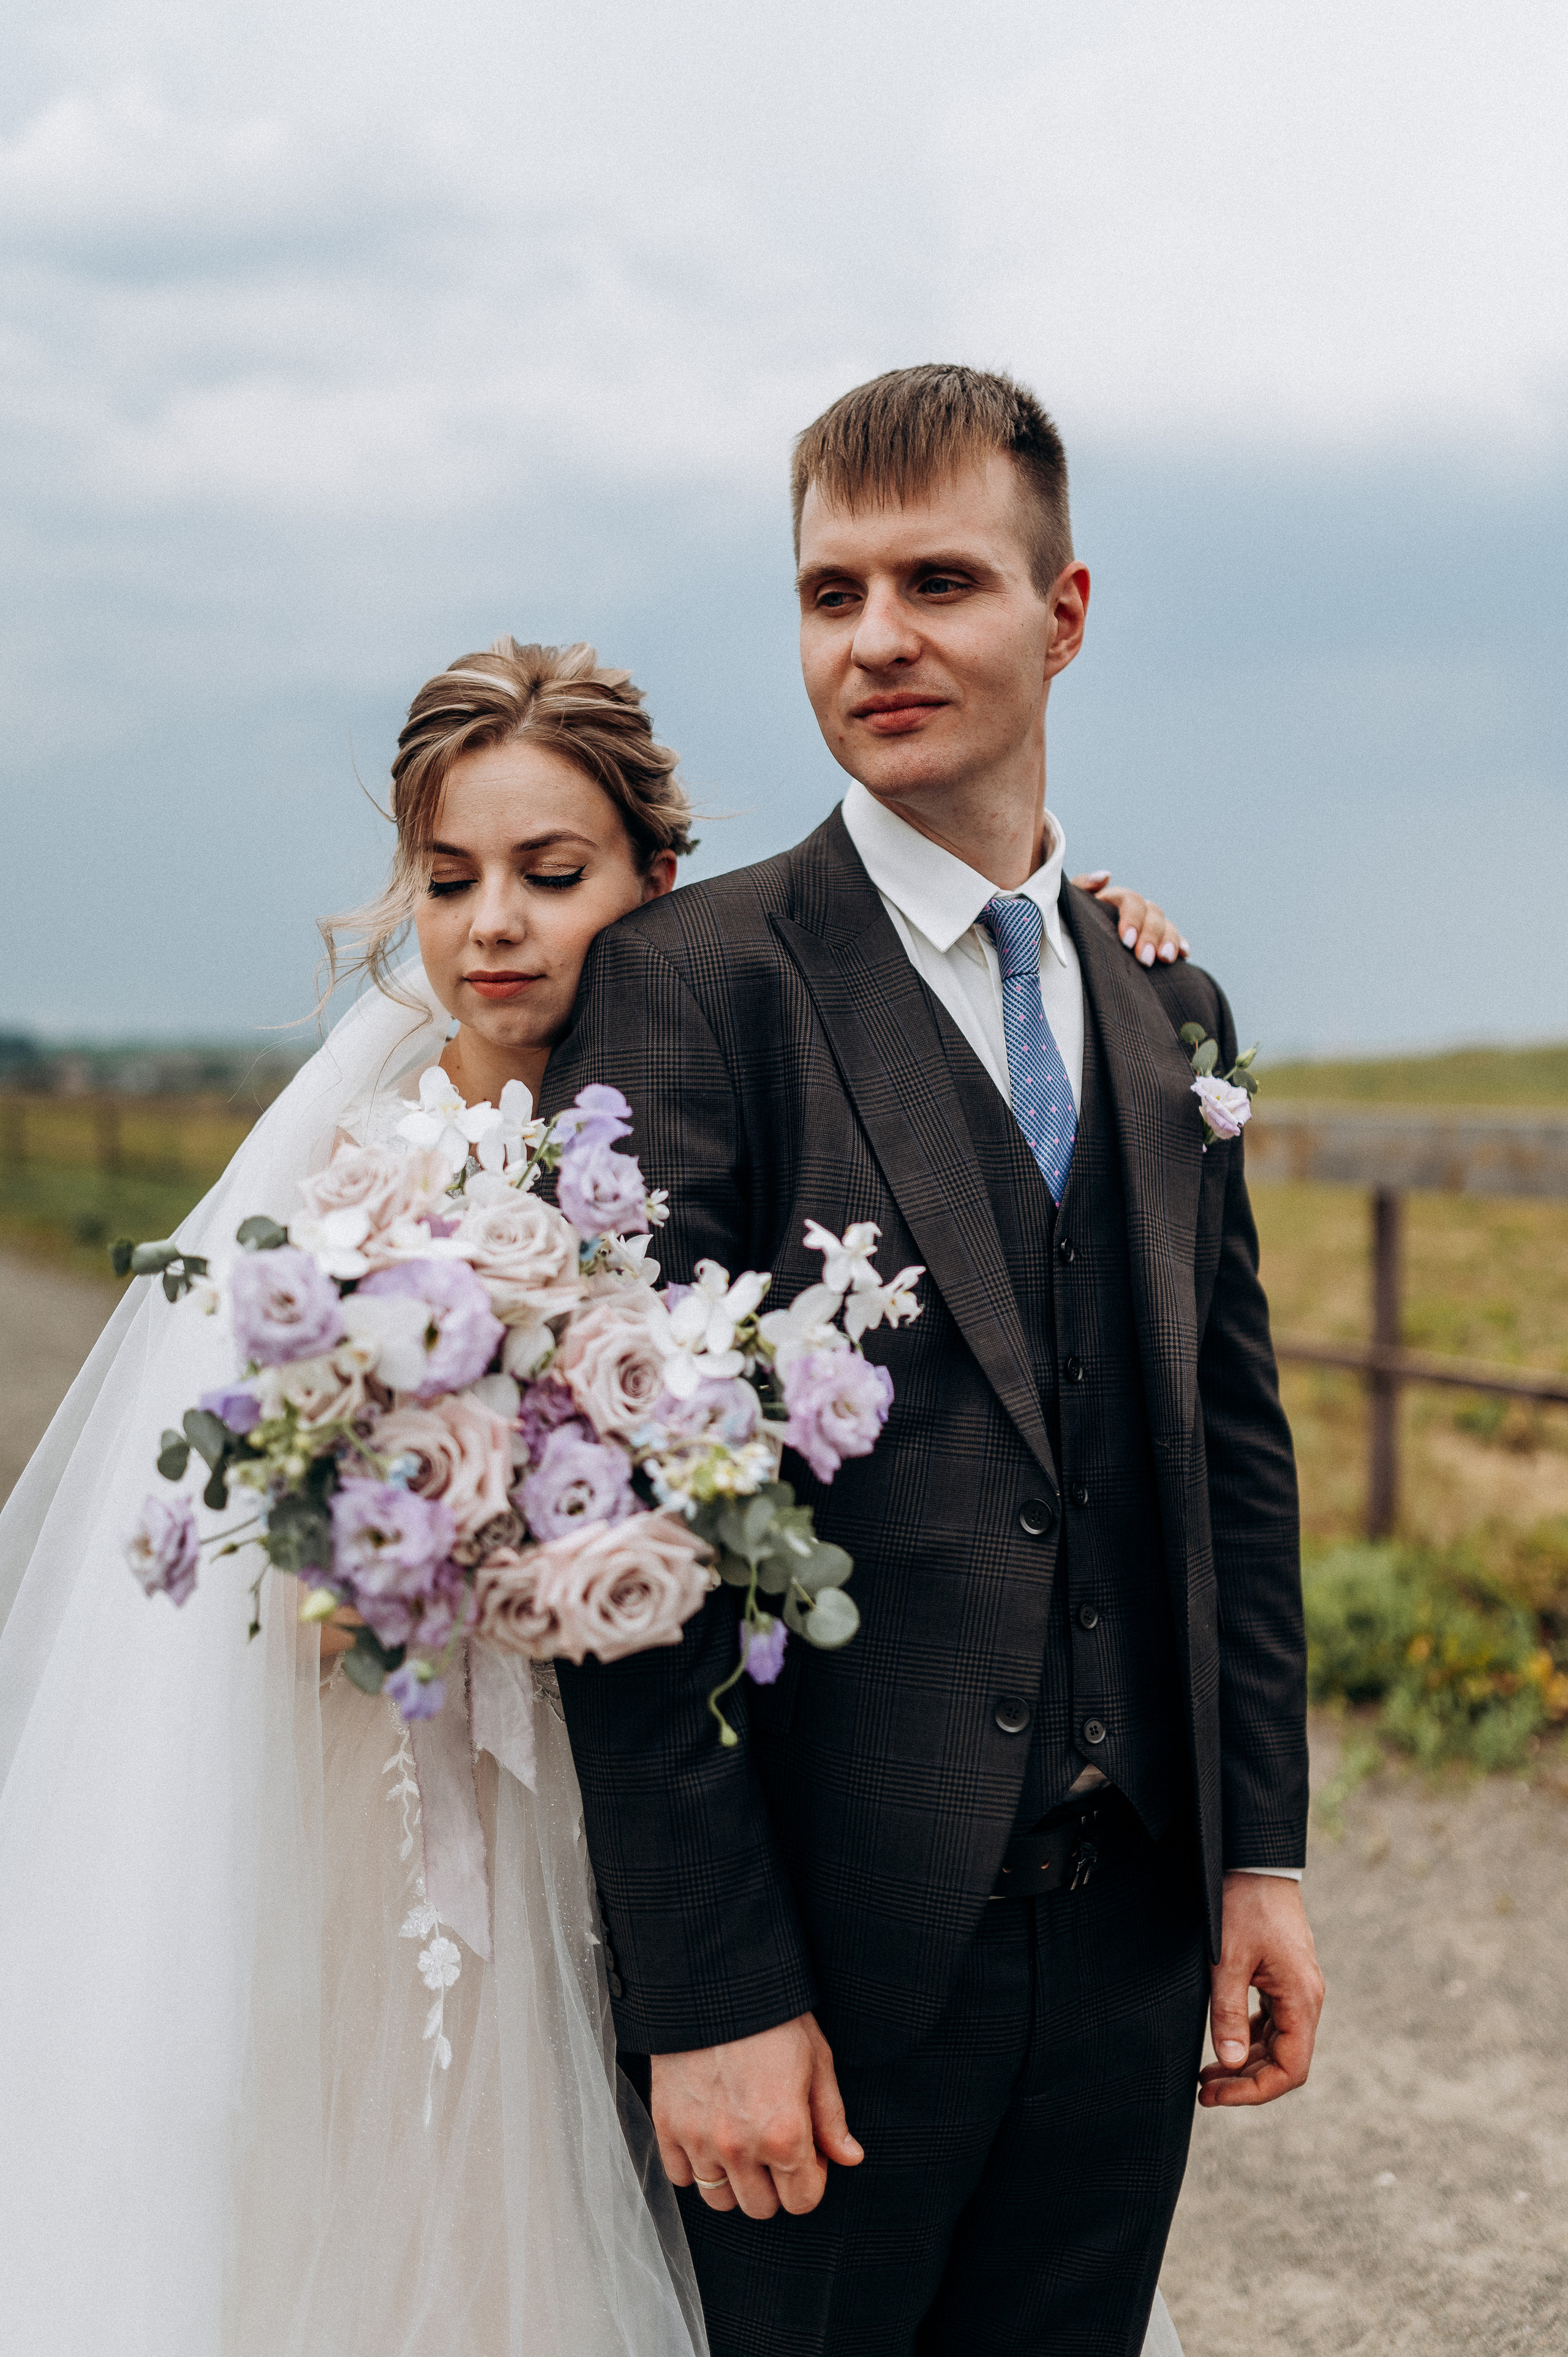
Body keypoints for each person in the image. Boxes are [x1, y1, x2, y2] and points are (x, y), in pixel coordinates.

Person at [0, 632, 1185, 2356]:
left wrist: (1081, 941)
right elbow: (279, 1596)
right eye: (450, 877)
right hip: (477, 1829)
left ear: (658, 883)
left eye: (552, 876)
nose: (494, 925)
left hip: (768, 1828)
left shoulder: (747, 1103)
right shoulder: (357, 1207)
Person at [543, 368, 1325, 2357]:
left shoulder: (1168, 1008)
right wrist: (710, 1992)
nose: (877, 640)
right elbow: (611, 1537)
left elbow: (1229, 1453)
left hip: (1136, 1938)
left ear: (1063, 618)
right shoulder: (694, 986)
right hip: (826, 1977)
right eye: (831, 594)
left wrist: (1261, 1858)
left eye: (940, 582)